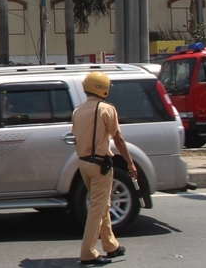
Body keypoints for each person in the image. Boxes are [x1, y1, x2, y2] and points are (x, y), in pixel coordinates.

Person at [71, 71, 137, 266]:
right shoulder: (106, 109)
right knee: (97, 208)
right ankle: (88, 252)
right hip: (101, 165)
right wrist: (130, 163)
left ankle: (110, 245)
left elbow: (76, 136)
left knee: (103, 205)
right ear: (103, 89)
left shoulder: (78, 111)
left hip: (84, 163)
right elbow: (118, 138)